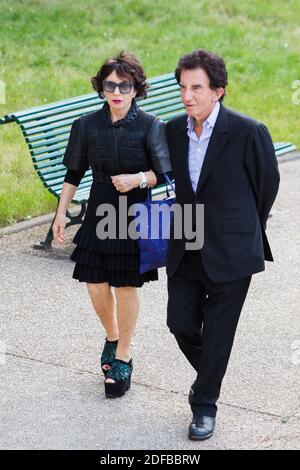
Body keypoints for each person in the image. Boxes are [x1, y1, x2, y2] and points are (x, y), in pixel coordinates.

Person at [165, 49, 280, 440]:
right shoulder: (172, 130)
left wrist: (242, 227)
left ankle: (204, 406)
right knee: (178, 323)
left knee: (217, 334)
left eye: (196, 87)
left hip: (232, 252)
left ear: (219, 91)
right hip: (186, 244)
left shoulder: (249, 132)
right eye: (182, 87)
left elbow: (267, 187)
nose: (187, 96)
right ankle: (209, 377)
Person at [53, 51, 171, 399]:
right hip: (100, 209)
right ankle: (112, 335)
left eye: (125, 85)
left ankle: (123, 355)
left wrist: (138, 178)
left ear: (136, 89)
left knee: (124, 287)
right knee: (93, 284)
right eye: (110, 84)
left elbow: (166, 174)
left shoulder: (151, 126)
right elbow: (73, 172)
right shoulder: (86, 125)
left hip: (133, 214)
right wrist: (61, 212)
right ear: (101, 87)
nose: (117, 91)